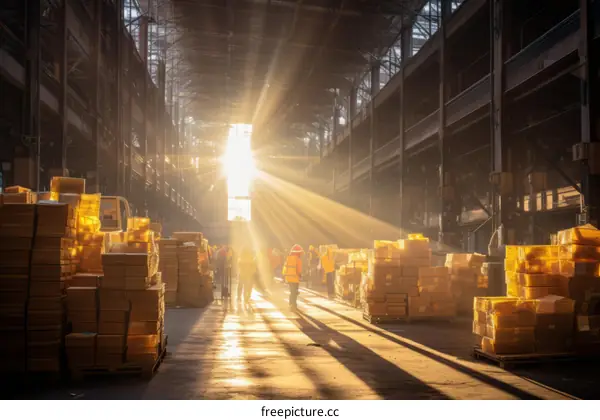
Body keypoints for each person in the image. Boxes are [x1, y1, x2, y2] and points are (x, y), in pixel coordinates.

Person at [282, 244, 303, 311]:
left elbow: (285, 268)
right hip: (295, 278)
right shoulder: (298, 259)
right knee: (295, 292)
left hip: (288, 278)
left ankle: (291, 304)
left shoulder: (288, 258)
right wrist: (300, 275)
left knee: (292, 292)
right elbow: (298, 270)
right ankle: (294, 305)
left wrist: (285, 276)